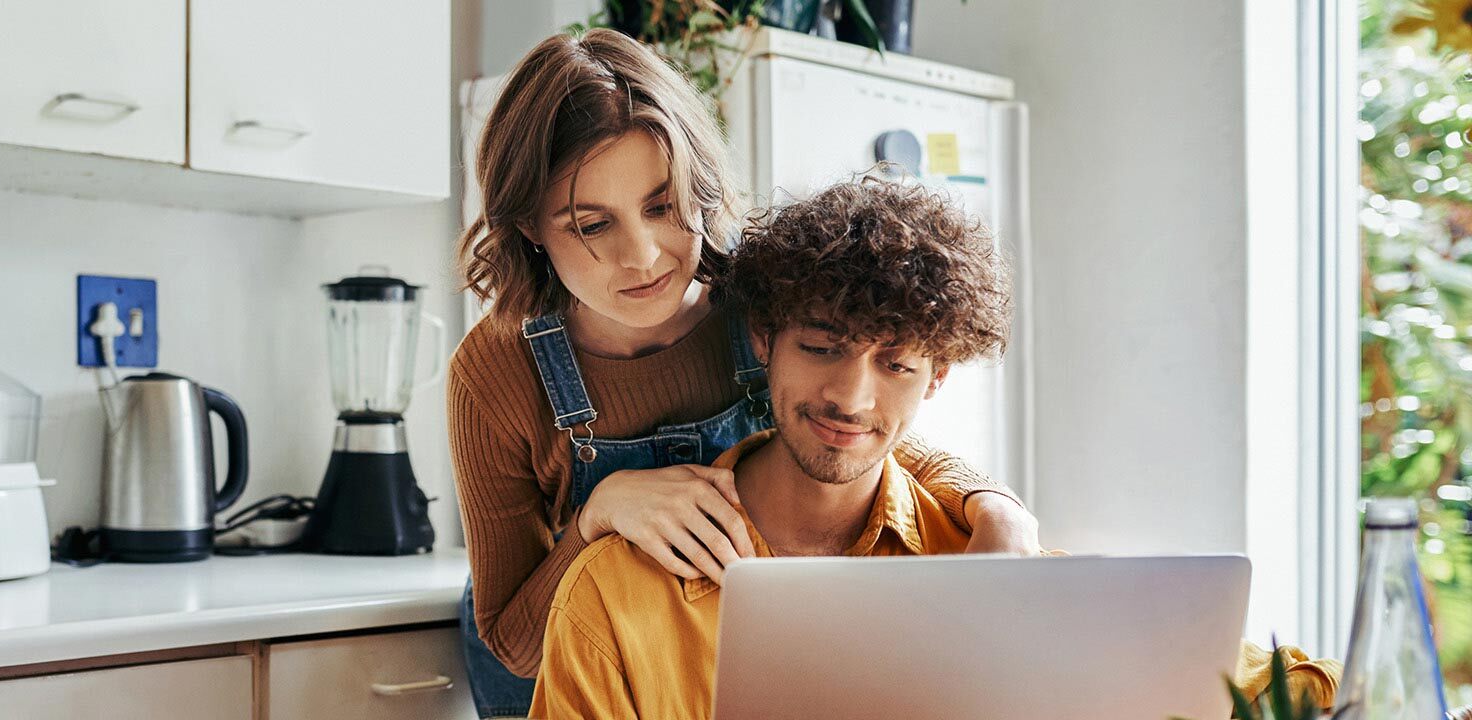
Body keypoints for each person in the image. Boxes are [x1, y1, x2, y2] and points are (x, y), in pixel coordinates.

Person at [527, 177, 1342, 719]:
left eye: (896, 363)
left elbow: (1300, 691)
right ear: (766, 339)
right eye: (822, 347)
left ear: (939, 375)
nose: (852, 397)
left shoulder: (996, 560)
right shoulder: (617, 595)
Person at [450, 28, 1040, 718]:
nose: (643, 256)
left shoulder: (754, 301)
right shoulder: (495, 373)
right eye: (590, 225)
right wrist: (599, 514)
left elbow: (853, 422)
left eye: (662, 205)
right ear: (529, 226)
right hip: (558, 645)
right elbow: (514, 643)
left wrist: (993, 504)